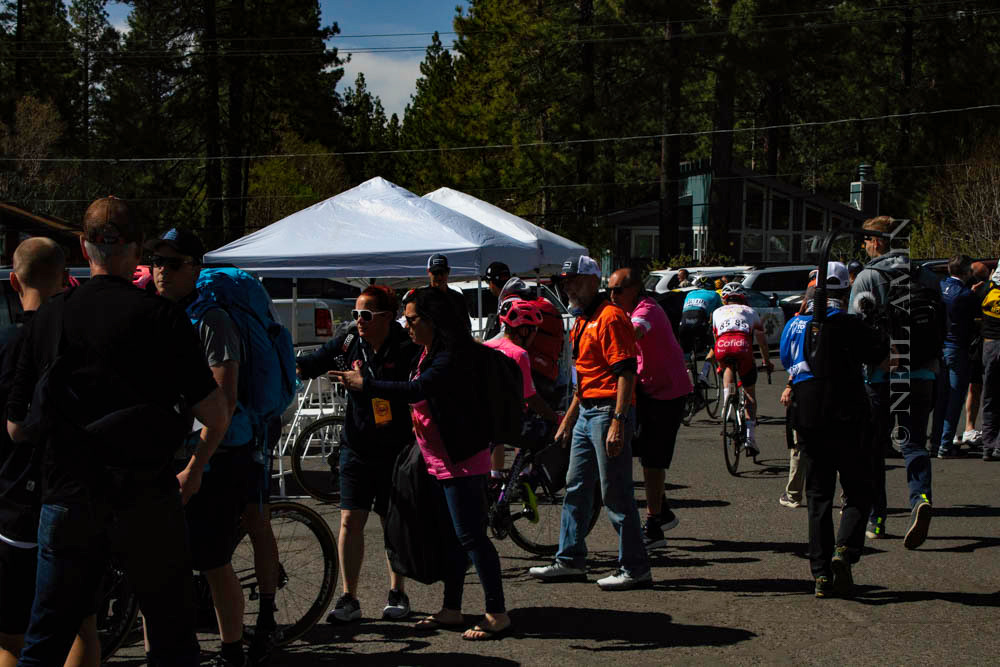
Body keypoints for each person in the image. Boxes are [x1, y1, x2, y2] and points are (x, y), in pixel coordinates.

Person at [7, 197, 229, 666]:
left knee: (46, 637)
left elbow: (16, 426)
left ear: (83, 249)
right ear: (136, 251)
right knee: (171, 638)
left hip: (68, 492)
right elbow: (216, 413)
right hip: (146, 495)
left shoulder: (50, 316)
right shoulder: (164, 317)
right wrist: (196, 467)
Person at [332, 287, 510, 640]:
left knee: (473, 538)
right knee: (456, 540)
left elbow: (416, 390)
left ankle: (496, 613)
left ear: (433, 321)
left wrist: (365, 384)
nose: (406, 326)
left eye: (412, 320)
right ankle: (451, 608)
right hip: (439, 461)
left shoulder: (451, 357)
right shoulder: (429, 352)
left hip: (460, 461)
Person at [147, 228, 266, 666]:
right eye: (156, 260)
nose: (162, 270)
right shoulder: (160, 313)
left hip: (216, 456)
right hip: (172, 455)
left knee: (213, 560)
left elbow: (226, 401)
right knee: (163, 565)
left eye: (173, 263)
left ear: (195, 267)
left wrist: (197, 465)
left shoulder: (211, 320)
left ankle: (233, 651)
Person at [0, 239, 99, 667]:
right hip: (74, 496)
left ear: (14, 280)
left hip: (16, 508)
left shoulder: (12, 346)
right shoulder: (84, 342)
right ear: (64, 278)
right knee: (83, 627)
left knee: (10, 637)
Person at [296, 285, 420, 625]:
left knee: (392, 522)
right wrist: (285, 359)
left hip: (397, 449)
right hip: (356, 447)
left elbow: (415, 393)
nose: (358, 321)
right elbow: (311, 363)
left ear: (386, 317)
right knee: (350, 520)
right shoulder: (351, 341)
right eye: (355, 314)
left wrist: (367, 384)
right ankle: (349, 597)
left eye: (365, 315)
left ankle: (398, 591)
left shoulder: (408, 346)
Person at [529, 256, 651, 591]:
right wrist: (569, 419)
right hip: (588, 412)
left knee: (615, 491)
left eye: (574, 280)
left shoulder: (610, 318)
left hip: (608, 410)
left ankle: (635, 567)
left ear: (592, 280)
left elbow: (627, 373)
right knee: (576, 486)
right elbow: (585, 380)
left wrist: (619, 420)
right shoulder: (584, 319)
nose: (567, 285)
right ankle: (569, 559)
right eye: (565, 280)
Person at [784, 262, 887, 598]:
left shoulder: (796, 324)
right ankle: (844, 550)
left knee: (818, 498)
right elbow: (879, 353)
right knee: (858, 489)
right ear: (845, 292)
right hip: (848, 414)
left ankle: (821, 575)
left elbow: (788, 360)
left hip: (809, 416)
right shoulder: (849, 323)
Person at [850, 215, 937, 548]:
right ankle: (920, 498)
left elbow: (857, 329)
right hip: (922, 372)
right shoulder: (926, 275)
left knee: (873, 448)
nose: (865, 245)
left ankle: (878, 517)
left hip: (882, 374)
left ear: (878, 241)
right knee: (915, 442)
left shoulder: (869, 277)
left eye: (867, 240)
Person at [608, 268, 691, 549]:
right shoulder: (625, 309)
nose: (611, 295)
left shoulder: (647, 310)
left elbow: (634, 333)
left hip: (666, 393)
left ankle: (654, 525)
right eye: (609, 290)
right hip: (646, 390)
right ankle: (662, 509)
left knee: (652, 459)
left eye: (617, 290)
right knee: (640, 448)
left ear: (633, 290)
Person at [483, 300, 559, 485]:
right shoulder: (519, 354)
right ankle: (526, 478)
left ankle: (497, 479)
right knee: (544, 433)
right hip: (508, 422)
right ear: (524, 331)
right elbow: (531, 397)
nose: (535, 335)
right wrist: (555, 418)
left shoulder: (486, 347)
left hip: (483, 420)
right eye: (534, 330)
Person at [712, 282, 773, 458]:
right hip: (742, 346)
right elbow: (761, 341)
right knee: (749, 392)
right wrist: (767, 362)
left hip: (722, 346)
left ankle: (727, 403)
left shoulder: (717, 312)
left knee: (728, 368)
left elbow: (716, 336)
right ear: (743, 298)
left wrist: (720, 365)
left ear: (725, 299)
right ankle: (750, 438)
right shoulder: (751, 311)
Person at [930, 255, 976, 459]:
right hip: (957, 347)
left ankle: (936, 441)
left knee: (942, 398)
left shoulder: (941, 287)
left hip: (942, 346)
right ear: (966, 272)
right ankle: (945, 445)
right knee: (955, 399)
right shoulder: (965, 294)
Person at [960, 261, 990, 451]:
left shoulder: (968, 292)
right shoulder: (987, 290)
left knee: (974, 387)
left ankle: (969, 426)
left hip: (973, 344)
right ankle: (981, 428)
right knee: (986, 388)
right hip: (984, 342)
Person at [974, 266, 1000, 461]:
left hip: (989, 347)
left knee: (989, 397)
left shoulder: (985, 291)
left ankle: (987, 445)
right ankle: (998, 445)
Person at [679, 275, 723, 381]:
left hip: (683, 324)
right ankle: (704, 373)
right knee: (715, 347)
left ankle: (688, 378)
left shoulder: (689, 293)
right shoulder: (715, 294)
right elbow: (720, 313)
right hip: (699, 322)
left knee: (686, 352)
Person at [426, 254, 471, 332]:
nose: (439, 277)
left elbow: (466, 327)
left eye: (442, 272)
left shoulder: (458, 298)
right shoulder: (421, 298)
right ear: (428, 272)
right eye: (435, 272)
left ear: (448, 271)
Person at [481, 262, 512, 340]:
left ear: (493, 283)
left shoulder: (509, 303)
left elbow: (505, 334)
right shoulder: (521, 295)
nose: (489, 286)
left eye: (488, 282)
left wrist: (485, 345)